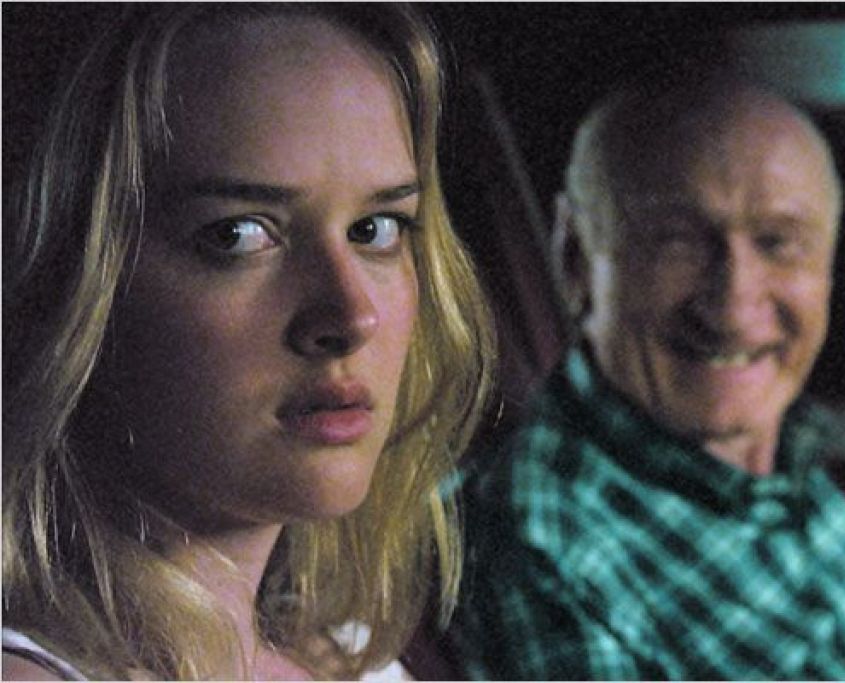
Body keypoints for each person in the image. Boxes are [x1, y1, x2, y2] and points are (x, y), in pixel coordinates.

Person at [2, 4, 494, 679]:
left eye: (376, 229)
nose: (352, 315)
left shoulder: (349, 656)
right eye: (237, 235)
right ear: (71, 278)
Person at [452, 73, 845, 679]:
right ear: (575, 260)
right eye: (677, 242)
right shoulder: (539, 541)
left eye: (778, 243)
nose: (733, 308)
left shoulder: (780, 458)